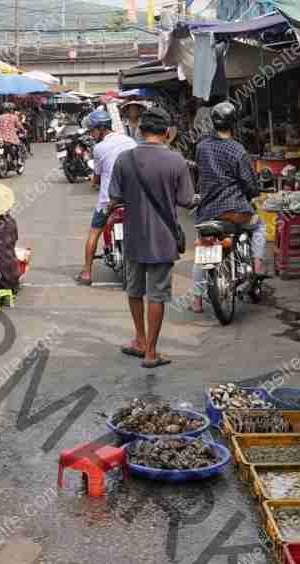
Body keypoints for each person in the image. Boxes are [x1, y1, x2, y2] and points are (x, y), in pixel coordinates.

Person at [108, 106, 194, 369]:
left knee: (134, 290)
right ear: (167, 133)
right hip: (164, 238)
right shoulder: (177, 161)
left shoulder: (124, 159)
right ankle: (151, 353)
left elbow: (115, 197)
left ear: (140, 131)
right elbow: (186, 200)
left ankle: (141, 340)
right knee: (156, 295)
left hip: (133, 237)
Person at [192, 101, 269, 312]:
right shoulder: (237, 150)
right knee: (259, 225)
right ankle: (258, 265)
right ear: (233, 124)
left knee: (202, 247)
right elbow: (249, 183)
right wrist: (254, 192)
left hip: (207, 211)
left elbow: (200, 172)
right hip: (234, 212)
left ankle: (196, 301)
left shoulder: (202, 146)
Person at [75, 109, 136, 286]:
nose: (92, 134)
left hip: (108, 201)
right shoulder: (130, 142)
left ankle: (86, 272)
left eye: (93, 130)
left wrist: (92, 182)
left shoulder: (99, 148)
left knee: (94, 232)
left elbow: (97, 177)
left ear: (101, 128)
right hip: (133, 199)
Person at [0, 101, 26, 170]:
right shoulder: (14, 117)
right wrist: (23, 131)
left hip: (0, 138)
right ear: (11, 109)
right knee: (18, 146)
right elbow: (19, 126)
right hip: (11, 137)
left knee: (0, 147)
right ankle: (18, 162)